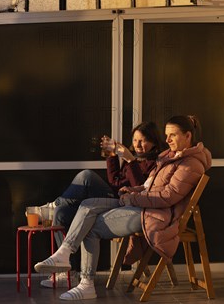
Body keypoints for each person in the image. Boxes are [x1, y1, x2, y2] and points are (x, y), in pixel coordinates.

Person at [34, 115, 212, 300]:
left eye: (172, 136)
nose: (167, 140)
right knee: (87, 205)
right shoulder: (170, 156)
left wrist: (133, 197)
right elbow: (148, 186)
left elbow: (166, 197)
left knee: (91, 227)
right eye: (167, 135)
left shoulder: (190, 164)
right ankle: (64, 253)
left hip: (152, 214)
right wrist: (133, 190)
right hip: (139, 202)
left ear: (188, 136)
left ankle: (87, 284)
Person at [33, 121, 164, 287]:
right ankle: (67, 273)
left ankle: (53, 204)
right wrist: (112, 156)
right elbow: (115, 180)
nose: (138, 145)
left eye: (143, 140)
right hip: (113, 195)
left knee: (86, 176)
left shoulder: (154, 163)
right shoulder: (135, 158)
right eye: (135, 140)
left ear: (154, 141)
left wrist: (131, 161)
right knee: (61, 213)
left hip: (125, 203)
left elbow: (140, 188)